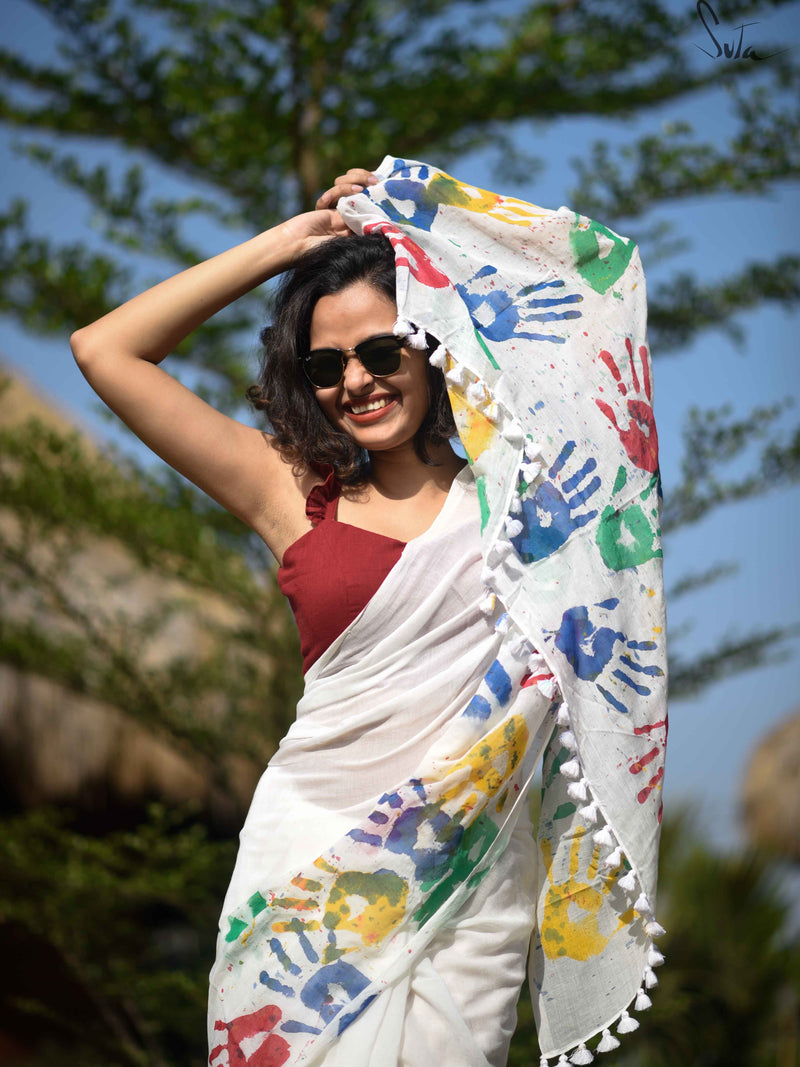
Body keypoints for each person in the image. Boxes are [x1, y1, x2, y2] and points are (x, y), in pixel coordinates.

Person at [72, 157, 667, 1067]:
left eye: (382, 350)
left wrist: (432, 223)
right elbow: (104, 350)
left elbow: (604, 276)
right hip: (307, 857)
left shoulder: (527, 503)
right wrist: (290, 244)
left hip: (468, 874)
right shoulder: (295, 492)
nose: (357, 380)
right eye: (325, 364)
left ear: (430, 342)